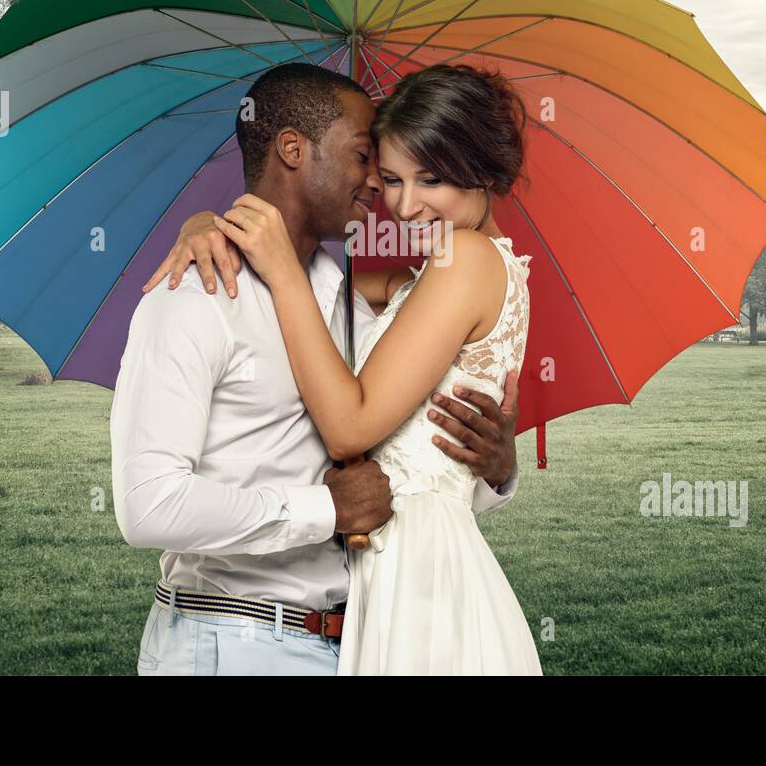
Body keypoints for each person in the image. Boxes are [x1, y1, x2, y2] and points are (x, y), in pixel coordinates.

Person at [111, 62, 522, 676]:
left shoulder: (347, 298)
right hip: (232, 639)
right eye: (372, 164)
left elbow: (406, 469)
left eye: (421, 177)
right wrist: (324, 510)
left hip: (356, 628)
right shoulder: (194, 295)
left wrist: (498, 469)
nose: (388, 199)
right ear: (294, 149)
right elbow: (147, 506)